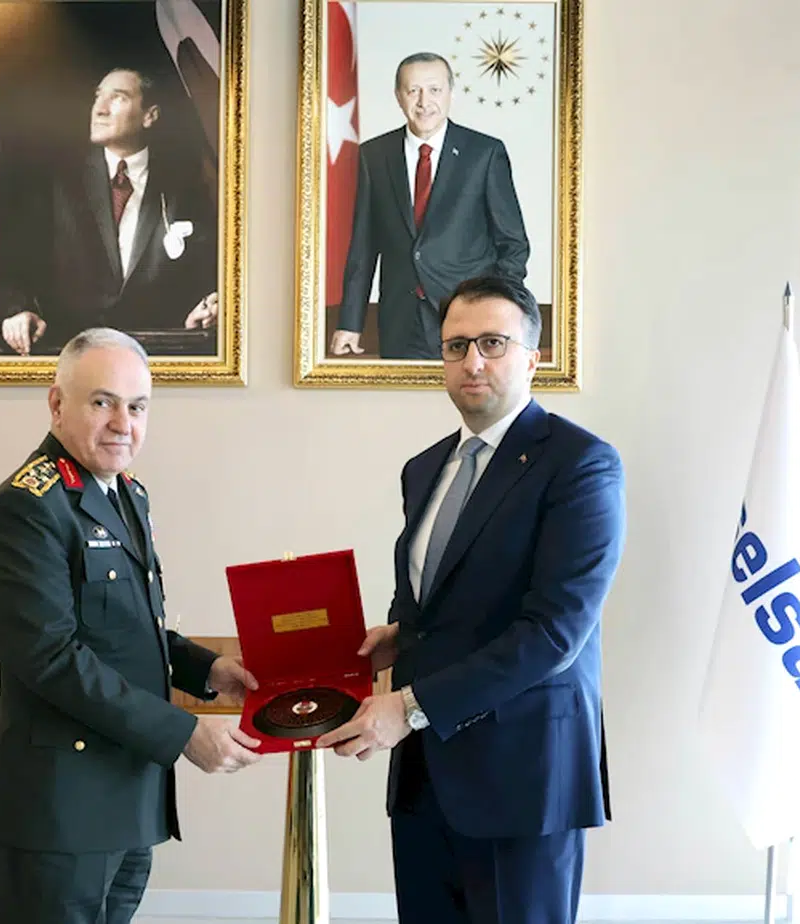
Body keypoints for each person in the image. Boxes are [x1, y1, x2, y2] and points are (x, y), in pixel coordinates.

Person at [318, 276, 626, 923]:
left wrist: (409, 707)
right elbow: (435, 598)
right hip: (425, 778)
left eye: (493, 343)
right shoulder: (424, 468)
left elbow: (553, 634)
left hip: (523, 779)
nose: (473, 362)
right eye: (456, 346)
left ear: (533, 357)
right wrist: (398, 634)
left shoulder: (581, 464)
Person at [0, 327, 261, 924]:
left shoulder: (126, 493)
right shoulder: (28, 508)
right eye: (102, 402)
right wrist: (183, 733)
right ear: (57, 403)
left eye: (137, 406)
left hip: (128, 793)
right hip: (61, 805)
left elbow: (130, 628)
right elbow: (53, 659)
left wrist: (208, 670)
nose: (122, 424)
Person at [0, 68, 218, 357]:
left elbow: (203, 273)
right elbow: (15, 263)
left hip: (157, 355)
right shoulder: (58, 180)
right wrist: (17, 311)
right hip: (70, 352)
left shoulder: (185, 185)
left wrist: (203, 309)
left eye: (118, 98)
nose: (99, 109)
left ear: (149, 116)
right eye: (98, 97)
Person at [331, 53, 530, 361]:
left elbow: (513, 244)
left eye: (434, 90)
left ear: (451, 93)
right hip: (400, 321)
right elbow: (363, 247)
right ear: (399, 96)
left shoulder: (485, 154)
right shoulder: (374, 155)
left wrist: (495, 311)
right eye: (413, 91)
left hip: (470, 321)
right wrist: (350, 322)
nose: (424, 102)